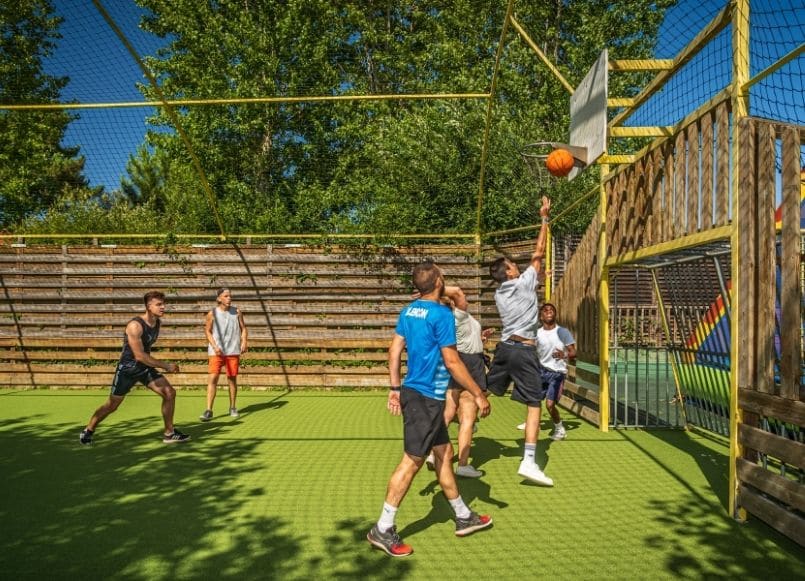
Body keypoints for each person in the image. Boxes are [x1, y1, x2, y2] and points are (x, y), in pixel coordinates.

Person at [367, 262, 493, 557]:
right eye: (441, 274)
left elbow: (394, 350)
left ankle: (463, 516)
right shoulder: (441, 314)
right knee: (411, 462)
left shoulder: (409, 310)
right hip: (426, 398)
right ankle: (382, 529)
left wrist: (395, 388)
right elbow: (452, 362)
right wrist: (478, 393)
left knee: (444, 454)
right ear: (438, 280)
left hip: (418, 395)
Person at [486, 196, 553, 486]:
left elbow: (530, 275)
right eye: (513, 265)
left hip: (504, 349)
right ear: (511, 272)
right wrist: (544, 217)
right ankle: (528, 461)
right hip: (524, 351)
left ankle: (436, 443)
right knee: (534, 404)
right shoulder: (524, 281)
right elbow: (539, 251)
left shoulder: (499, 293)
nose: (517, 265)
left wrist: (536, 278)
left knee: (481, 393)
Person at [79, 291, 190, 445]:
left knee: (169, 393)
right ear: (148, 306)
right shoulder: (135, 326)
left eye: (163, 304)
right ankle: (89, 429)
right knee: (112, 405)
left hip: (144, 368)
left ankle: (169, 433)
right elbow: (139, 355)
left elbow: (145, 356)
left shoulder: (157, 322)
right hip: (128, 369)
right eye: (159, 304)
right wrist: (166, 366)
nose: (163, 307)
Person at [426, 285, 493, 478]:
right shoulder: (457, 315)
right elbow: (458, 294)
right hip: (470, 363)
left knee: (448, 411)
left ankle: (431, 452)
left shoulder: (452, 319)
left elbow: (461, 339)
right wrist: (435, 289)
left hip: (462, 360)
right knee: (468, 418)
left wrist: (480, 337)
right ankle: (463, 465)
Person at [200, 287, 248, 420]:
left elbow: (243, 329)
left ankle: (232, 407)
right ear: (219, 298)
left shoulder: (237, 312)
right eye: (226, 296)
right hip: (216, 352)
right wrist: (215, 346)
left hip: (232, 351)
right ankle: (209, 410)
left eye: (230, 296)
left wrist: (244, 341)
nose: (229, 298)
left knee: (232, 379)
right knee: (213, 378)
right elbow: (207, 331)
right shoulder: (212, 313)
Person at [534, 302, 576, 440]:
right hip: (540, 371)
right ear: (541, 316)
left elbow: (573, 352)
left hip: (557, 373)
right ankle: (533, 423)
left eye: (551, 310)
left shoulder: (562, 332)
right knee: (533, 401)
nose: (548, 311)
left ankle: (560, 429)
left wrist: (563, 355)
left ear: (555, 314)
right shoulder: (537, 334)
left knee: (550, 405)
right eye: (545, 310)